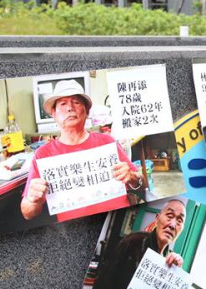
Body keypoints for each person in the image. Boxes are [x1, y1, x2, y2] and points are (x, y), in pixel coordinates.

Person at [21, 79, 143, 221]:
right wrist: (32, 200)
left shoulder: (107, 142)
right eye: (63, 103)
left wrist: (133, 178)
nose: (70, 108)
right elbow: (27, 213)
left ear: (87, 111)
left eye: (76, 102)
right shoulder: (43, 155)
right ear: (53, 114)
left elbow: (140, 183)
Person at [89, 199, 186, 289]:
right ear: (157, 218)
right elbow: (102, 285)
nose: (172, 225)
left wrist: (176, 273)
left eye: (179, 221)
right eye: (169, 216)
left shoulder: (171, 261)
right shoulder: (132, 242)